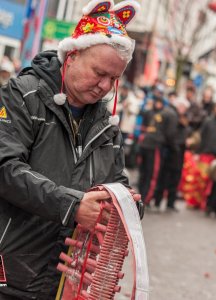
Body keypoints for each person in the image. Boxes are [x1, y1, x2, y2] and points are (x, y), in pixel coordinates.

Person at [0, 1, 144, 299]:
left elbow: (118, 183)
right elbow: (5, 168)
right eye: (99, 73)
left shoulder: (107, 123)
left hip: (68, 281)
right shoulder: (22, 94)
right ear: (73, 55)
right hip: (10, 273)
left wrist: (127, 207)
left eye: (114, 79)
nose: (105, 86)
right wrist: (74, 206)